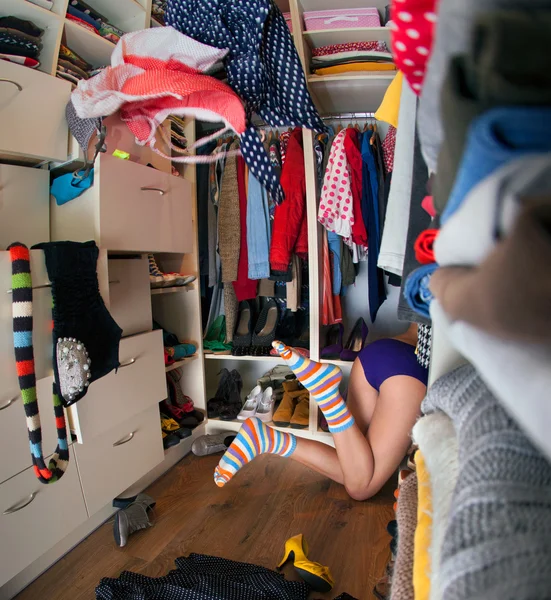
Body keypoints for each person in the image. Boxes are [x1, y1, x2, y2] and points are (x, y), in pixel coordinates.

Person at [214, 324, 428, 501]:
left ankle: (266, 438)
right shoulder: (460, 274)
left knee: (353, 463)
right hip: (413, 365)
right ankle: (328, 395)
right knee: (361, 488)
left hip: (378, 353)